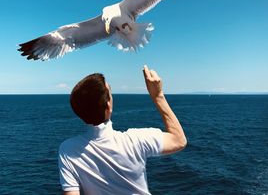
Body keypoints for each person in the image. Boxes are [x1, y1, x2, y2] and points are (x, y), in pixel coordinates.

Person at [58, 65, 187, 195]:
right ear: (108, 106)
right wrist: (158, 96)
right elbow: (179, 140)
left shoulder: (68, 150)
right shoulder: (136, 140)